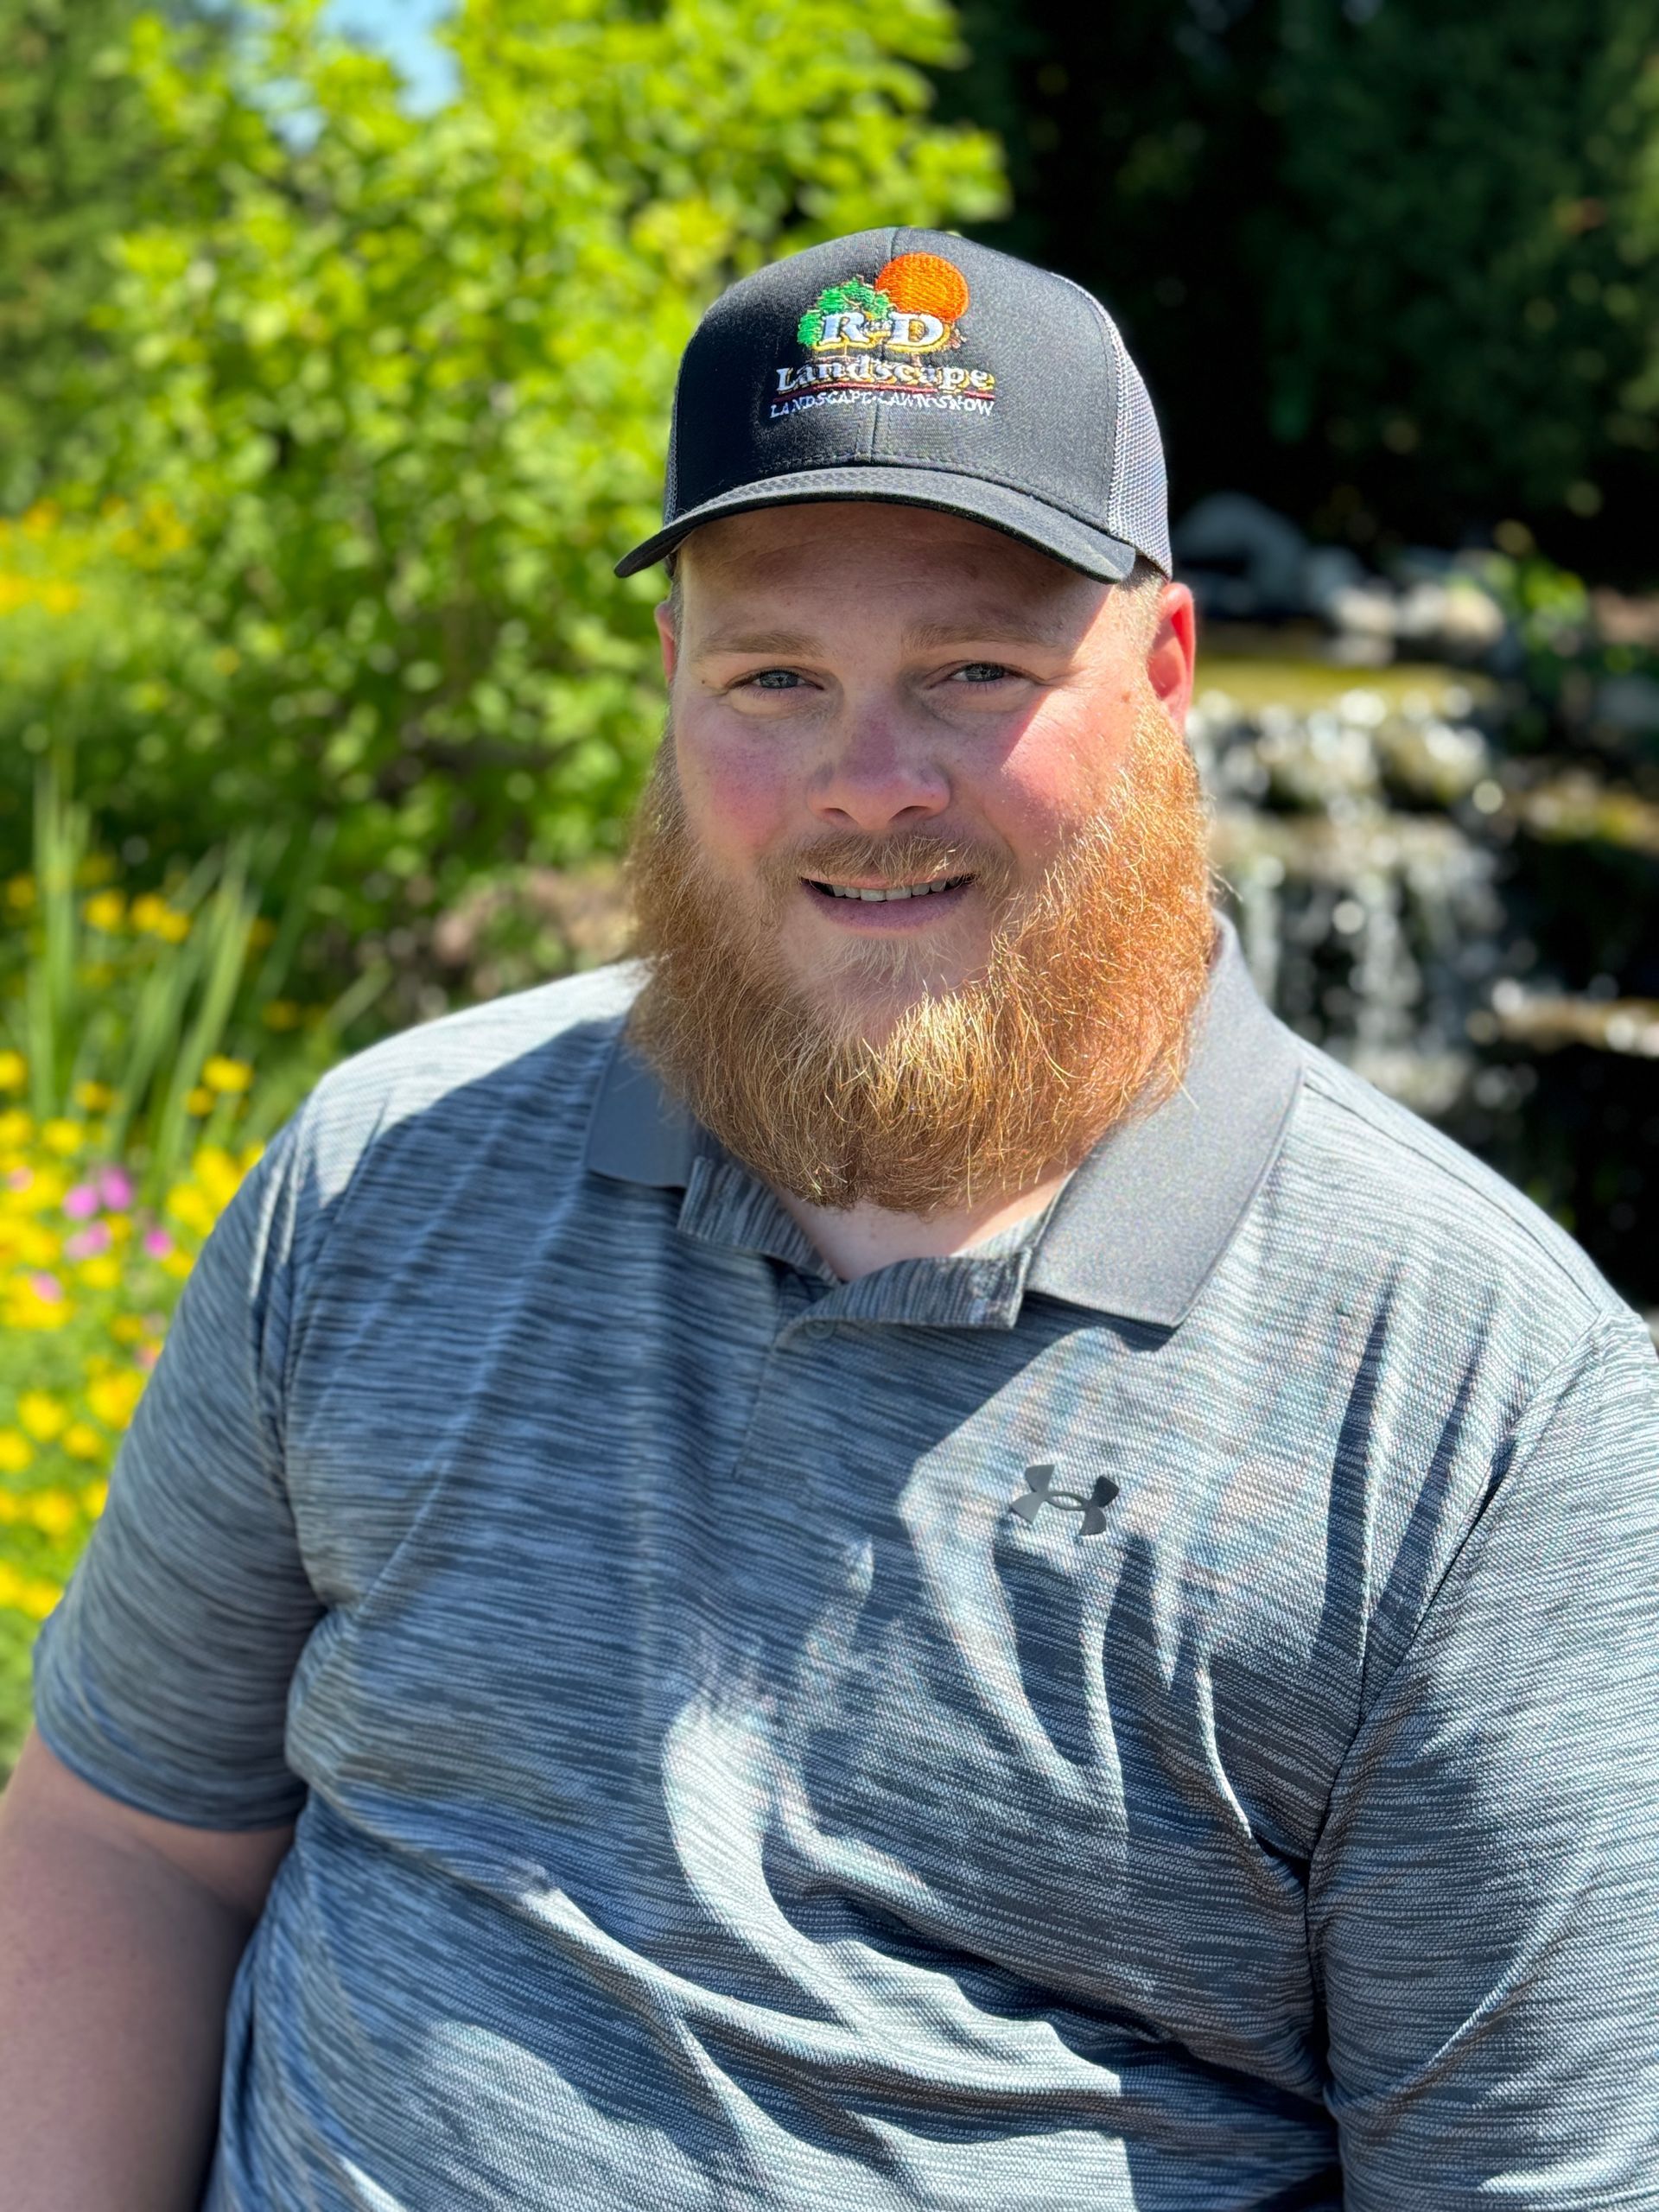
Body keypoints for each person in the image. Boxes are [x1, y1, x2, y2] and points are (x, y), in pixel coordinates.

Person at [0, 227, 1655, 2212]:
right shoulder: (382, 1171)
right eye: (775, 676)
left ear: (1167, 672)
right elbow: (128, 1836)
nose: (869, 783)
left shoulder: (1491, 1412)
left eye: (974, 671)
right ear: (671, 681)